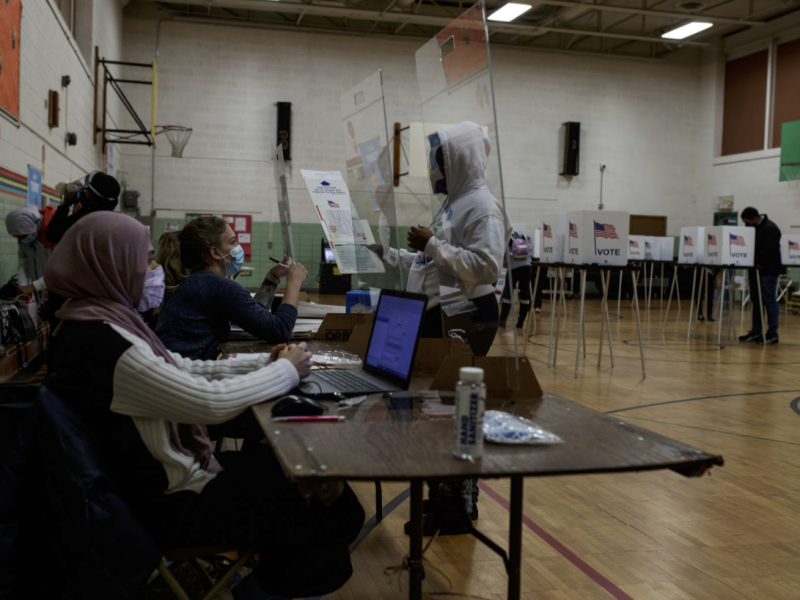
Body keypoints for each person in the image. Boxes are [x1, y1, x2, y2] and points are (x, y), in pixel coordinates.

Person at [43, 211, 364, 598]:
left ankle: (262, 580)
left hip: (151, 482)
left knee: (300, 472)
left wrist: (269, 362)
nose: (156, 267)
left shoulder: (93, 323)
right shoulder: (104, 343)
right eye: (146, 259)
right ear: (111, 264)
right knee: (336, 508)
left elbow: (183, 367)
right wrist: (286, 373)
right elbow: (209, 404)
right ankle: (254, 591)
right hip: (168, 503)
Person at [371, 121, 510, 537]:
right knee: (436, 409)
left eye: (439, 163)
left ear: (458, 161)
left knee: (451, 410)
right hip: (440, 313)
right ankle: (446, 495)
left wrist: (431, 243)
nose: (434, 172)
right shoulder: (456, 203)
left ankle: (457, 507)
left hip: (464, 315)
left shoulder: (482, 206)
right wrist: (391, 253)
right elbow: (433, 264)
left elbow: (486, 265)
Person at [155, 216, 307, 360]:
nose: (238, 247)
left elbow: (252, 316)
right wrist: (294, 282)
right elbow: (279, 330)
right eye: (233, 241)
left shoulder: (196, 280)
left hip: (174, 369)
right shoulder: (216, 286)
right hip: (185, 376)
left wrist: (272, 278)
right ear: (215, 252)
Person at [739, 207, 782, 345]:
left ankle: (772, 334)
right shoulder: (754, 227)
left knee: (769, 300)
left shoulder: (771, 228)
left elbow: (768, 251)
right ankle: (756, 331)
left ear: (755, 219)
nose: (746, 225)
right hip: (755, 270)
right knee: (756, 300)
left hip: (768, 270)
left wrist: (750, 258)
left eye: (747, 222)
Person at [46, 170, 121, 244]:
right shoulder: (116, 221)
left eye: (86, 190)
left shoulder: (85, 220)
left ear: (92, 197)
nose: (84, 192)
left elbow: (52, 235)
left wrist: (65, 205)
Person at [4, 204, 53, 298]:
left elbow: (60, 271)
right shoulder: (25, 235)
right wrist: (23, 285)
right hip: (42, 291)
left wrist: (33, 286)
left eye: (23, 236)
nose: (21, 240)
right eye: (18, 237)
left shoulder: (54, 235)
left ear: (33, 226)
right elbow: (24, 264)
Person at [500, 231, 533, 328]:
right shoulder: (522, 235)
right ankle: (521, 322)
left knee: (508, 294)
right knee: (524, 294)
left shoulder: (505, 236)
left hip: (513, 268)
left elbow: (502, 255)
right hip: (527, 266)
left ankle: (502, 321)